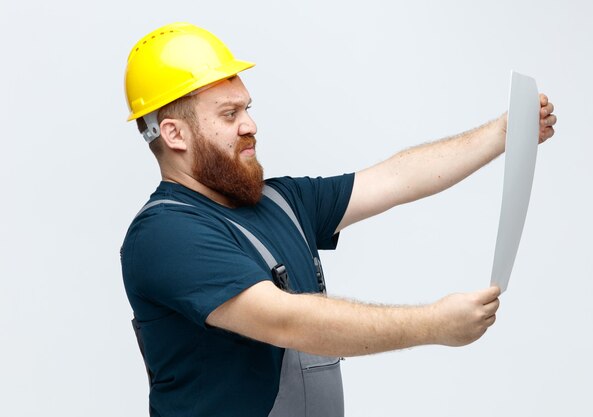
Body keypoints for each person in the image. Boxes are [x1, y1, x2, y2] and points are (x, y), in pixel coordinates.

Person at [121, 22, 556, 417]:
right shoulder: (164, 235)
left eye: (247, 108)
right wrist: (434, 324)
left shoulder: (281, 200)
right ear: (175, 133)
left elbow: (394, 178)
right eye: (229, 114)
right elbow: (284, 320)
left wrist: (503, 133)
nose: (251, 124)